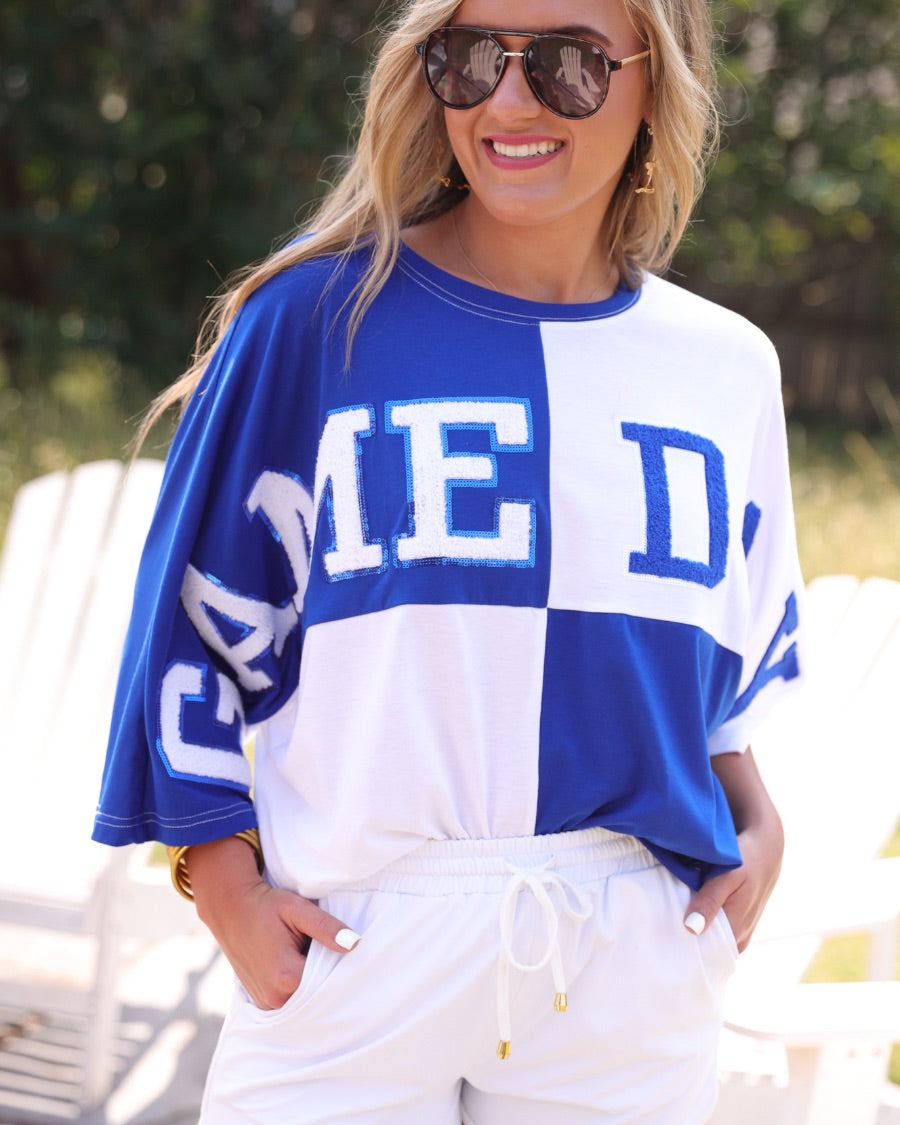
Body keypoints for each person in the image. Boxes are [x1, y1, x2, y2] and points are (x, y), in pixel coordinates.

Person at [93, 0, 804, 1120]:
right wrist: (218, 878)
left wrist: (759, 827)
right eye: (469, 59)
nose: (510, 102)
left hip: (627, 958)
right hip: (359, 938)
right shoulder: (314, 319)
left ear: (654, 83)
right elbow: (189, 621)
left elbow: (711, 661)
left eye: (568, 63)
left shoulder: (726, 368)